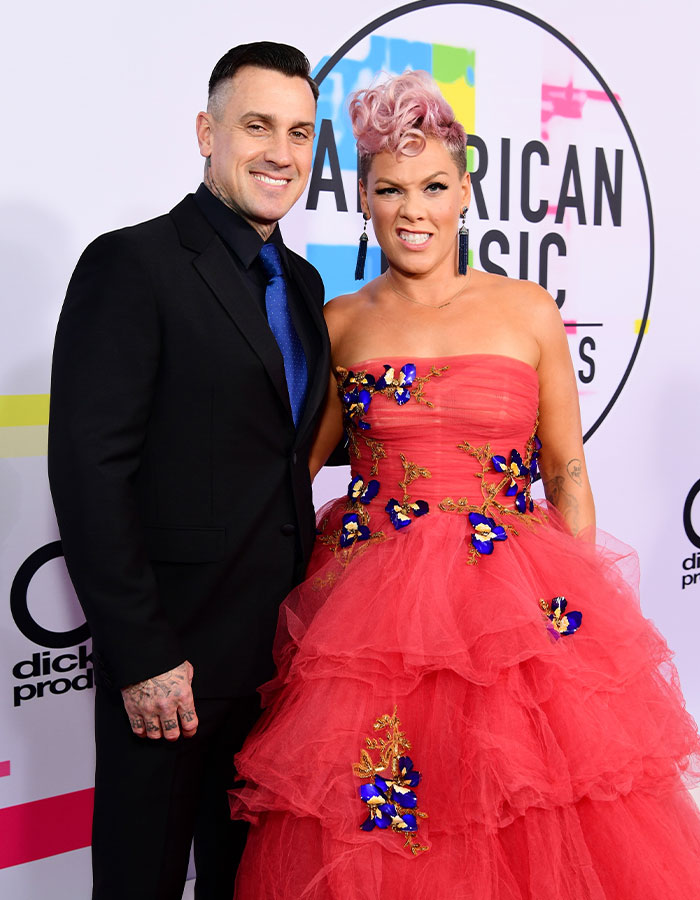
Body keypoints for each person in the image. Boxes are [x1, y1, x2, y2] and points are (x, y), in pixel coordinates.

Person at [228, 71, 700, 899]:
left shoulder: (527, 311)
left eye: (434, 186)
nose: (415, 209)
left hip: (513, 608)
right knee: (384, 826)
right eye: (392, 190)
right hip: (371, 619)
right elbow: (293, 472)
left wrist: (571, 631)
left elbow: (568, 473)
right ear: (364, 201)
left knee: (522, 818)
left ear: (465, 193)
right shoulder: (339, 322)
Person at [48, 42, 330, 900]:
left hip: (280, 666)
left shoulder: (309, 286)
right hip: (171, 669)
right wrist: (142, 655)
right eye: (256, 127)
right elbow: (91, 471)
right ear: (207, 133)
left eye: (300, 133)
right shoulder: (132, 263)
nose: (281, 152)